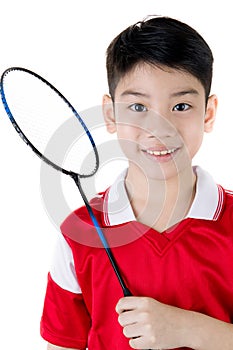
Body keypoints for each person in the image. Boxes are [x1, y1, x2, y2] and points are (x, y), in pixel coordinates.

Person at [40, 16, 233, 350]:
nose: (160, 128)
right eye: (139, 106)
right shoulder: (79, 234)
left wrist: (190, 329)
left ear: (209, 113)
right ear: (111, 114)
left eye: (182, 106)